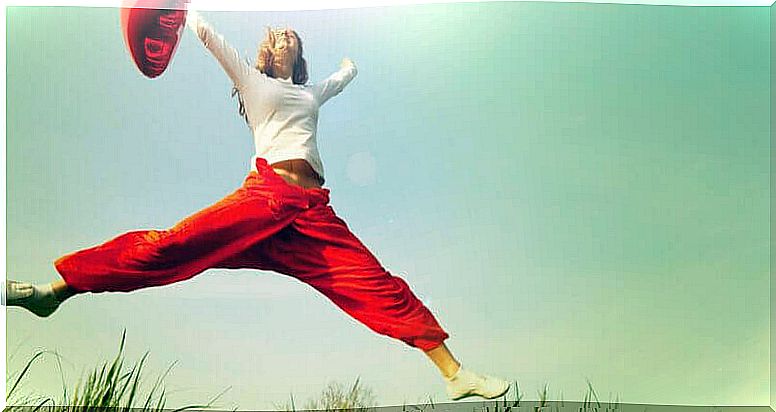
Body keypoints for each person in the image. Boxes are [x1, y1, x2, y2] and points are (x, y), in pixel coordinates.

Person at [3, 9, 511, 401]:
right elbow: (204, 34)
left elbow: (339, 80)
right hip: (264, 199)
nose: (281, 36)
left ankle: (455, 375)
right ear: (265, 53)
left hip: (312, 215)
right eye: (274, 35)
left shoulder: (309, 91)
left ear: (298, 52)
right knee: (170, 247)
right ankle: (53, 291)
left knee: (376, 284)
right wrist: (177, 9)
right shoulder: (252, 79)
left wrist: (350, 67)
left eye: (289, 35)